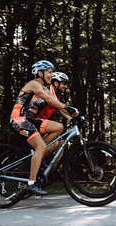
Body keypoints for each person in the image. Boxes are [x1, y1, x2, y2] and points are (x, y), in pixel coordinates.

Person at [10, 60, 79, 196]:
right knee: (40, 146)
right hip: (19, 119)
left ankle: (39, 155)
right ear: (40, 73)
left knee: (59, 127)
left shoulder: (46, 89)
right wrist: (67, 108)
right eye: (49, 72)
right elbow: (48, 100)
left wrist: (73, 115)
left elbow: (54, 101)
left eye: (52, 72)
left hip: (31, 120)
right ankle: (31, 183)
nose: (51, 75)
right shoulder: (34, 84)